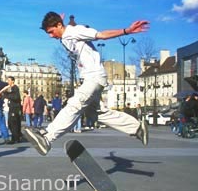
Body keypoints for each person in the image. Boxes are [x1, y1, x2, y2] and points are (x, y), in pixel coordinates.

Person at [23, 11, 149, 155]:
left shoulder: (76, 31)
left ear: (59, 25)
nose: (51, 36)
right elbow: (64, 32)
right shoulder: (64, 36)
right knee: (95, 113)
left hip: (93, 77)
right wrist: (61, 22)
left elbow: (101, 35)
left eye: (51, 32)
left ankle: (47, 138)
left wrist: (127, 30)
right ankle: (137, 128)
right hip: (92, 78)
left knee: (74, 104)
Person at [0, 76, 23, 143]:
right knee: (12, 123)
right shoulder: (12, 88)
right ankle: (17, 137)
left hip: (14, 108)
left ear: (13, 81)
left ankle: (15, 138)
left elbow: (16, 97)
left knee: (12, 123)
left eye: (9, 80)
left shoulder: (15, 88)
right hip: (12, 107)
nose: (8, 82)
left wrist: (6, 95)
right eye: (8, 80)